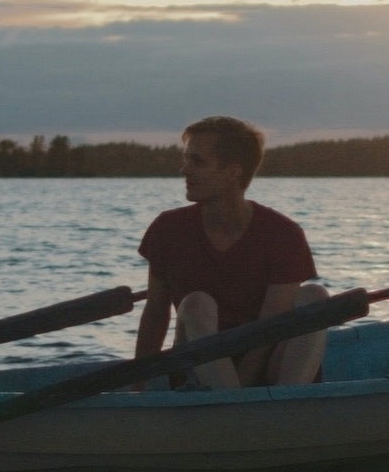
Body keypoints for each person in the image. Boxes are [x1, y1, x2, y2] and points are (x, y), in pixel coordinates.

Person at [134, 116, 328, 388]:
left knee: (315, 296)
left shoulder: (283, 234)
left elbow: (269, 330)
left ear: (233, 172)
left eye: (197, 162)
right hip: (197, 369)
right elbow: (155, 313)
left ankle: (288, 405)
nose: (184, 170)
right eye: (187, 159)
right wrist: (138, 387)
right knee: (196, 304)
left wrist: (244, 382)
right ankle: (234, 406)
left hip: (265, 367)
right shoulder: (168, 228)